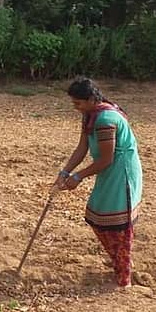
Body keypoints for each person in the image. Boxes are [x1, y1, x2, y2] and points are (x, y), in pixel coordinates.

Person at [53, 77, 143, 290]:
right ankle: (119, 260)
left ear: (92, 99)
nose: (76, 108)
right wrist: (64, 172)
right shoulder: (90, 116)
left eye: (78, 103)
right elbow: (82, 147)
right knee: (97, 217)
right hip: (109, 173)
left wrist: (78, 177)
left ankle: (123, 278)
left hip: (121, 174)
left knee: (118, 225)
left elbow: (106, 159)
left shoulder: (105, 120)